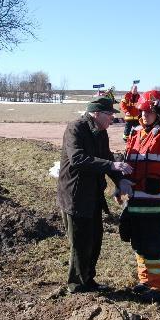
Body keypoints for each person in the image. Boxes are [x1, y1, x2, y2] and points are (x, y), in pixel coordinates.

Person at [116, 89, 160, 303]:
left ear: (158, 112)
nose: (144, 115)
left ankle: (159, 287)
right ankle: (146, 280)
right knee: (138, 244)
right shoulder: (136, 134)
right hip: (136, 202)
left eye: (149, 111)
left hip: (157, 204)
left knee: (155, 247)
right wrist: (119, 186)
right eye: (142, 112)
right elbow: (129, 165)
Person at [57, 96, 133, 294]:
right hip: (75, 195)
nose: (112, 119)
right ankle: (77, 285)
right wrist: (110, 165)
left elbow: (106, 157)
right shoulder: (76, 128)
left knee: (95, 239)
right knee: (81, 243)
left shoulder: (101, 132)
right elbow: (77, 159)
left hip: (93, 195)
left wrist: (120, 180)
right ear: (96, 113)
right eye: (109, 115)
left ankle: (88, 280)